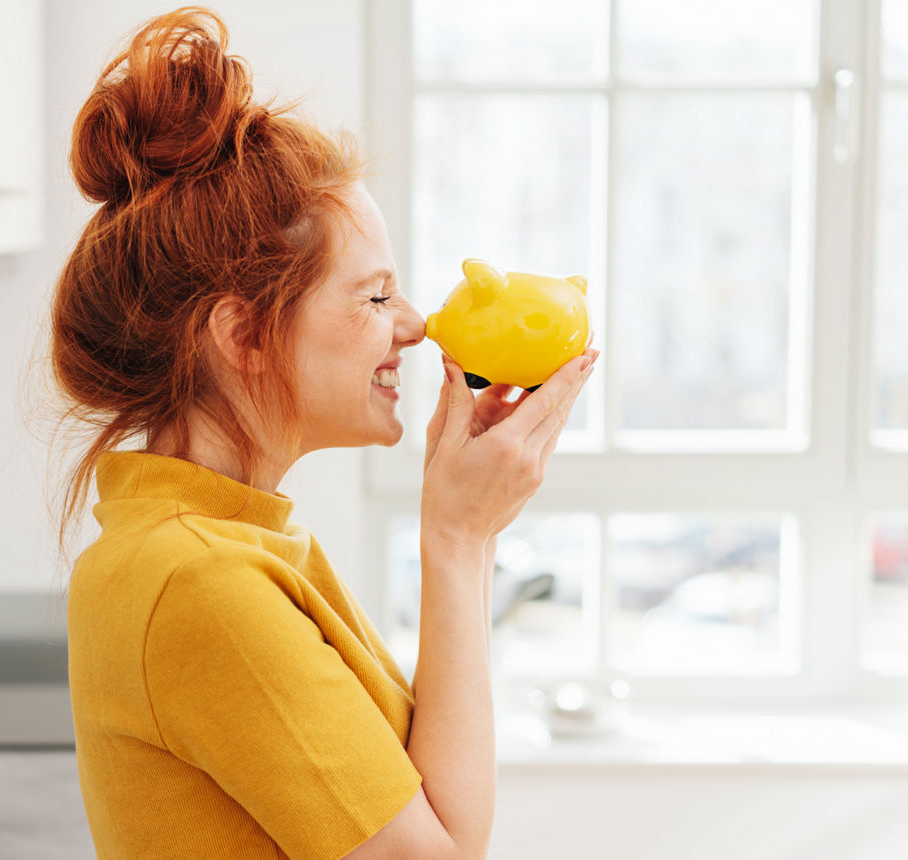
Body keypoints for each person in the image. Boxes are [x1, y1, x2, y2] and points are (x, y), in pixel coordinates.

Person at [41, 7, 597, 859]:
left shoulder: (230, 542)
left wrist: (470, 534)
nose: (413, 326)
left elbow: (420, 800)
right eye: (375, 296)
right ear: (244, 336)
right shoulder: (200, 584)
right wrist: (455, 535)